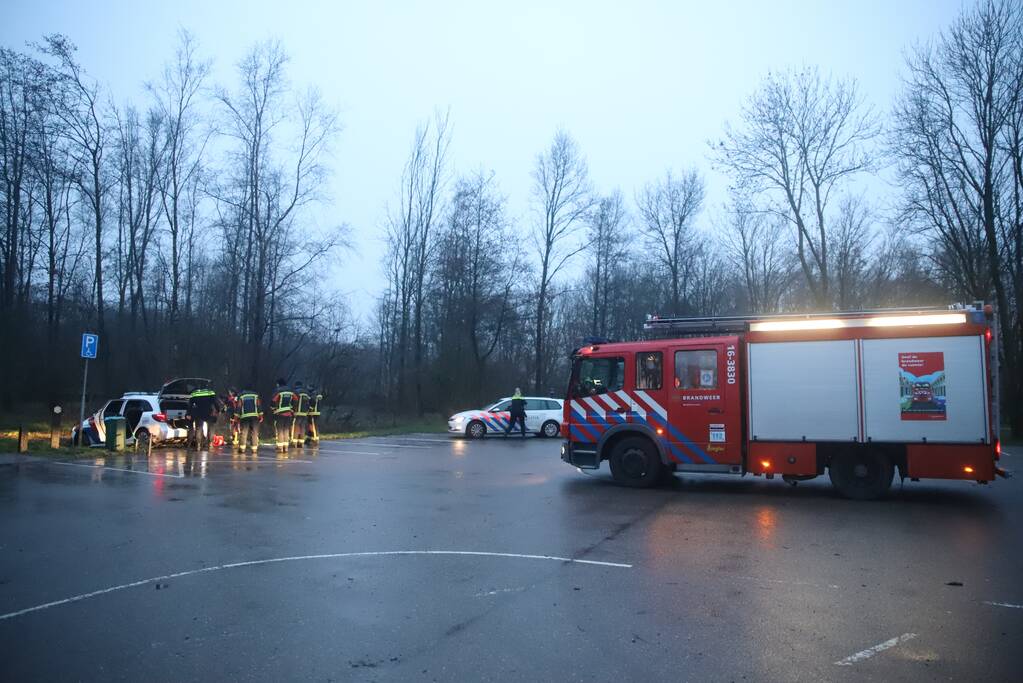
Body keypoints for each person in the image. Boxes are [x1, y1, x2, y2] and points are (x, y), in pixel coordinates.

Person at [188, 385, 223, 451]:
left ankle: (198, 446)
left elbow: (190, 405)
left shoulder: (194, 393)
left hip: (198, 413)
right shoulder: (210, 392)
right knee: (211, 429)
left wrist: (189, 413)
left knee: (199, 429)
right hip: (209, 413)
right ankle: (210, 445)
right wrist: (218, 410)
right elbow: (215, 403)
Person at [271, 379, 296, 452]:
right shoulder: (291, 391)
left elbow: (273, 401)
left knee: (280, 430)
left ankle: (280, 448)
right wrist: (292, 408)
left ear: (279, 384)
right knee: (286, 430)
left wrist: (273, 409)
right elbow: (296, 399)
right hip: (289, 413)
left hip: (280, 413)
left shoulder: (278, 391)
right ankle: (286, 447)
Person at [237, 387, 263, 453]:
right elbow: (259, 406)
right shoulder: (255, 395)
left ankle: (242, 449)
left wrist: (236, 417)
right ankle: (254, 449)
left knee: (244, 432)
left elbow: (239, 407)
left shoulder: (241, 396)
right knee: (255, 432)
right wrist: (261, 415)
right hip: (255, 416)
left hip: (244, 417)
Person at [293, 381, 310, 449]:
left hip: (297, 412)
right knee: (302, 427)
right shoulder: (306, 393)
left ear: (296, 385)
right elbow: (309, 403)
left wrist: (293, 410)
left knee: (296, 427)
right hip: (304, 413)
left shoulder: (296, 392)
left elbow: (294, 401)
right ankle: (301, 443)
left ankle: (294, 442)